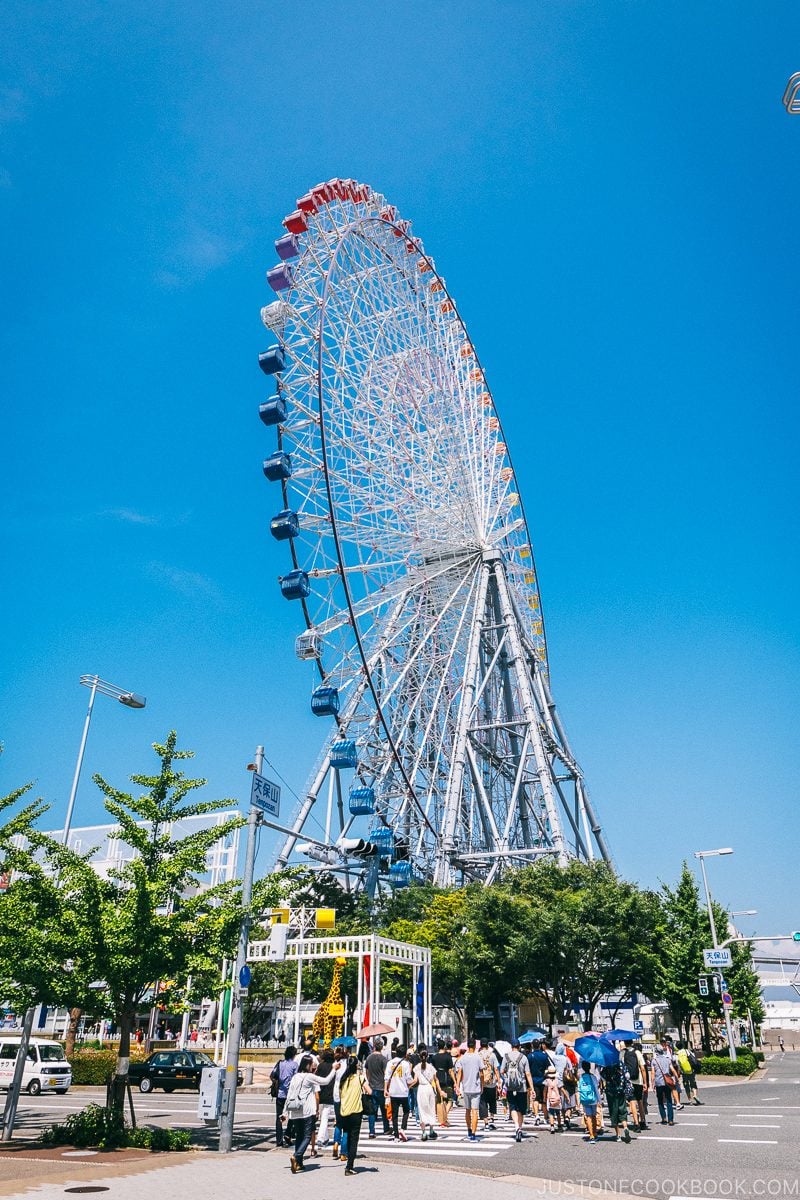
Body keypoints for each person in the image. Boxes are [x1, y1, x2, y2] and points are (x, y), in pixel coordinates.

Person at [286, 1054, 336, 1173]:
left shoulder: (295, 1077)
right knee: (307, 1136)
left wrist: (285, 1113)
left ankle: (299, 1163)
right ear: (308, 1065)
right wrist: (334, 1069)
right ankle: (296, 1155)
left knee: (299, 1136)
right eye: (312, 1063)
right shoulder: (309, 1077)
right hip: (307, 1111)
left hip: (294, 1111)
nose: (314, 1065)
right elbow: (326, 1081)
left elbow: (289, 1095)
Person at [502, 1038, 534, 1143]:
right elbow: (528, 1074)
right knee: (521, 1109)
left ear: (511, 1046)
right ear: (519, 1046)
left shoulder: (506, 1057)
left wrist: (507, 1077)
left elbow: (502, 1071)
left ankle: (516, 1127)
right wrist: (532, 1088)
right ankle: (520, 1128)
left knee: (513, 1107)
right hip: (522, 1087)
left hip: (510, 1086)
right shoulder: (523, 1057)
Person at [338, 1055, 366, 1175]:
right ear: (356, 1066)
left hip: (344, 1111)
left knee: (347, 1135)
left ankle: (345, 1156)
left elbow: (340, 1096)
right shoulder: (360, 1078)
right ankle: (349, 1166)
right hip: (356, 1111)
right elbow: (369, 1091)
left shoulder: (343, 1079)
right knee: (354, 1140)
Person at [454, 1036, 483, 1141]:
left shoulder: (463, 1058)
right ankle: (474, 1134)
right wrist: (482, 1085)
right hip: (475, 1088)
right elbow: (481, 1073)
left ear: (467, 1046)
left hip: (466, 1088)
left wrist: (457, 1085)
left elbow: (459, 1072)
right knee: (475, 1111)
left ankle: (469, 1129)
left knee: (467, 1110)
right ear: (475, 1046)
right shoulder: (478, 1057)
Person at [413, 1045, 442, 1140]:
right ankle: (431, 1130)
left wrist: (407, 1086)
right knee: (431, 1109)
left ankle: (423, 1132)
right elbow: (436, 1079)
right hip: (429, 1088)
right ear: (428, 1056)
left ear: (419, 1057)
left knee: (422, 1110)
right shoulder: (431, 1067)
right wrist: (440, 1090)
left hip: (421, 1089)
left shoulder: (417, 1067)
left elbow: (415, 1080)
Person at [385, 1044, 414, 1140]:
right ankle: (403, 1128)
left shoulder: (390, 1063)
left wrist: (385, 1089)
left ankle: (396, 1135)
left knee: (394, 1114)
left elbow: (386, 1077)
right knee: (406, 1111)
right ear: (404, 1054)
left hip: (393, 1091)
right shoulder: (406, 1064)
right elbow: (409, 1079)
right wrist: (412, 1082)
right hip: (403, 1091)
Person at [364, 1036, 391, 1137]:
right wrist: (387, 1087)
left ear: (374, 1046)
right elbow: (386, 1075)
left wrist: (369, 1080)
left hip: (372, 1087)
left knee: (372, 1111)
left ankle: (371, 1131)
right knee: (383, 1110)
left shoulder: (369, 1058)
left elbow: (366, 1071)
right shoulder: (383, 1059)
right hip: (381, 1087)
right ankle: (386, 1128)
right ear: (382, 1047)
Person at [600, 1060, 632, 1143]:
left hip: (611, 1092)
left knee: (614, 1112)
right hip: (621, 1090)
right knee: (622, 1110)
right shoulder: (621, 1063)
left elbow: (603, 1076)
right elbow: (627, 1075)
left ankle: (618, 1135)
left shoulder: (607, 1064)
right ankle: (625, 1127)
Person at [274, 1045, 299, 1148]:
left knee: (279, 1116)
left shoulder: (280, 1063)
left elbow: (272, 1075)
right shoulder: (294, 1065)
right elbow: (296, 1078)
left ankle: (279, 1140)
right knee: (292, 1115)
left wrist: (278, 1083)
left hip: (280, 1093)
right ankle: (288, 1133)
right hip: (291, 1094)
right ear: (293, 1054)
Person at [652, 1039, 678, 1126]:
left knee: (660, 1101)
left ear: (656, 1051)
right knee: (669, 1100)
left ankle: (663, 1118)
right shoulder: (667, 1060)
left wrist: (652, 1083)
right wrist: (676, 1078)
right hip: (667, 1082)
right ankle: (671, 1119)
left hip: (658, 1082)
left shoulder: (654, 1061)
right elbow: (672, 1069)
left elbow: (653, 1073)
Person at [623, 1041, 647, 1131]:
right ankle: (643, 1121)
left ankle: (636, 1124)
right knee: (640, 1101)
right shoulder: (637, 1052)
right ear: (632, 1042)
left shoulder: (622, 1053)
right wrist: (645, 1082)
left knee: (632, 1102)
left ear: (625, 1043)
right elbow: (643, 1068)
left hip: (628, 1081)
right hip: (638, 1081)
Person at [315, 1048, 336, 1150]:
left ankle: (326, 1137)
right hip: (331, 1093)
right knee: (324, 1117)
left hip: (320, 1093)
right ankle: (320, 1138)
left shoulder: (320, 1066)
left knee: (323, 1116)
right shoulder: (334, 1066)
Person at [431, 1039, 455, 1127]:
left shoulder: (434, 1057)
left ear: (437, 1047)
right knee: (449, 1100)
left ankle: (442, 1118)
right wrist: (455, 1081)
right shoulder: (448, 1057)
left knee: (439, 1100)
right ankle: (444, 1118)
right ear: (444, 1046)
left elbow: (432, 1070)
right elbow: (451, 1070)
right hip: (447, 1081)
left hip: (437, 1081)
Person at [527, 1039, 551, 1126]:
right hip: (543, 1080)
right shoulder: (544, 1056)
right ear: (540, 1046)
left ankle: (537, 1116)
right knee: (544, 1100)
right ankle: (545, 1117)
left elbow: (527, 1070)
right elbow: (548, 1067)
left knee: (535, 1099)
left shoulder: (530, 1056)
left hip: (533, 1081)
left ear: (532, 1046)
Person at [479, 1040, 501, 1131]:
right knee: (492, 1100)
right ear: (487, 1046)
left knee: (483, 1102)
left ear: (480, 1045)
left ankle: (486, 1123)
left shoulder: (477, 1055)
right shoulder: (492, 1055)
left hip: (481, 1083)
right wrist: (499, 1081)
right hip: (491, 1082)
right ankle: (492, 1119)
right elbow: (496, 1069)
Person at [578, 1060, 601, 1143]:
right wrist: (599, 1100)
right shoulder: (593, 1076)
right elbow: (596, 1086)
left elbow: (579, 1088)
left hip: (585, 1098)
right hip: (593, 1098)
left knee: (588, 1116)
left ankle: (590, 1135)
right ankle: (595, 1133)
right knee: (594, 1116)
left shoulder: (581, 1077)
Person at [676, 1041, 702, 1106]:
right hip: (691, 1070)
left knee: (686, 1085)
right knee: (693, 1083)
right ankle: (695, 1095)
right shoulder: (686, 1051)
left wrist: (679, 1072)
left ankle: (690, 1100)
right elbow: (693, 1058)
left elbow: (678, 1064)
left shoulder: (677, 1054)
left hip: (683, 1072)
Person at [544, 1066, 564, 1133]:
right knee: (558, 1113)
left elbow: (545, 1090)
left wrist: (544, 1097)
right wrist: (567, 1097)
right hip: (557, 1099)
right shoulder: (558, 1081)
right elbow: (562, 1089)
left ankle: (552, 1126)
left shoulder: (547, 1081)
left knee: (551, 1113)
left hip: (550, 1099)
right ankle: (559, 1125)